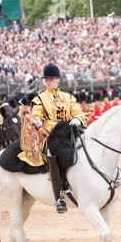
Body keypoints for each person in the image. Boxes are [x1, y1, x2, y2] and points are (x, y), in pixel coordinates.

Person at [18, 64, 85, 213]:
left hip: (68, 132)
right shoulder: (39, 99)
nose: (49, 81)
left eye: (52, 79)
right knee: (52, 152)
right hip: (48, 134)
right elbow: (35, 113)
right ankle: (59, 197)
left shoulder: (68, 97)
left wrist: (78, 119)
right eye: (47, 79)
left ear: (58, 80)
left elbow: (78, 111)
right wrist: (36, 120)